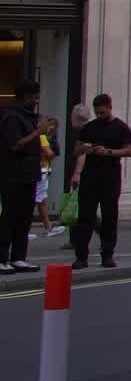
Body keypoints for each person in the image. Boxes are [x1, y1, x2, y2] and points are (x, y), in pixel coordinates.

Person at [70, 93, 131, 269]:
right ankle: (81, 256)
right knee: (85, 217)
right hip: (90, 176)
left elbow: (130, 150)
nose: (100, 116)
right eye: (98, 113)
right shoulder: (89, 128)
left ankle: (107, 254)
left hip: (110, 176)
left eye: (103, 113)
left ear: (110, 108)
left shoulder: (121, 127)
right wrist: (86, 148)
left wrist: (108, 152)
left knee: (109, 217)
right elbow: (76, 149)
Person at [1, 80, 60, 272]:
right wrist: (37, 132)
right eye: (35, 96)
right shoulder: (12, 118)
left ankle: (19, 257)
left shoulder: (29, 117)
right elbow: (15, 145)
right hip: (13, 175)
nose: (37, 100)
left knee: (25, 217)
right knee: (10, 217)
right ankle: (2, 258)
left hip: (29, 174)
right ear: (26, 96)